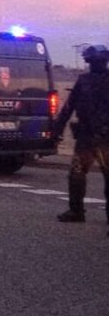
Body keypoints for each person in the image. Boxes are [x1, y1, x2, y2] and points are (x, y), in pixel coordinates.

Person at [53, 44, 109, 227]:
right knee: (77, 174)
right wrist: (58, 128)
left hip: (93, 137)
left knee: (77, 174)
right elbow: (69, 107)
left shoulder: (83, 81)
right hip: (95, 136)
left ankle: (76, 211)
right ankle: (76, 211)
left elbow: (68, 108)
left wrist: (57, 130)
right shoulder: (84, 81)